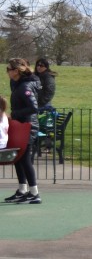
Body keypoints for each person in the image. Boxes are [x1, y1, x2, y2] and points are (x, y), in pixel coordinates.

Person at [4, 58, 41, 204]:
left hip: (28, 126)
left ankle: (34, 193)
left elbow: (33, 107)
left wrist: (14, 115)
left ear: (16, 71)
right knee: (17, 158)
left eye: (8, 69)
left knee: (25, 160)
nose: (7, 72)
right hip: (20, 125)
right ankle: (22, 190)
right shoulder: (18, 84)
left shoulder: (25, 86)